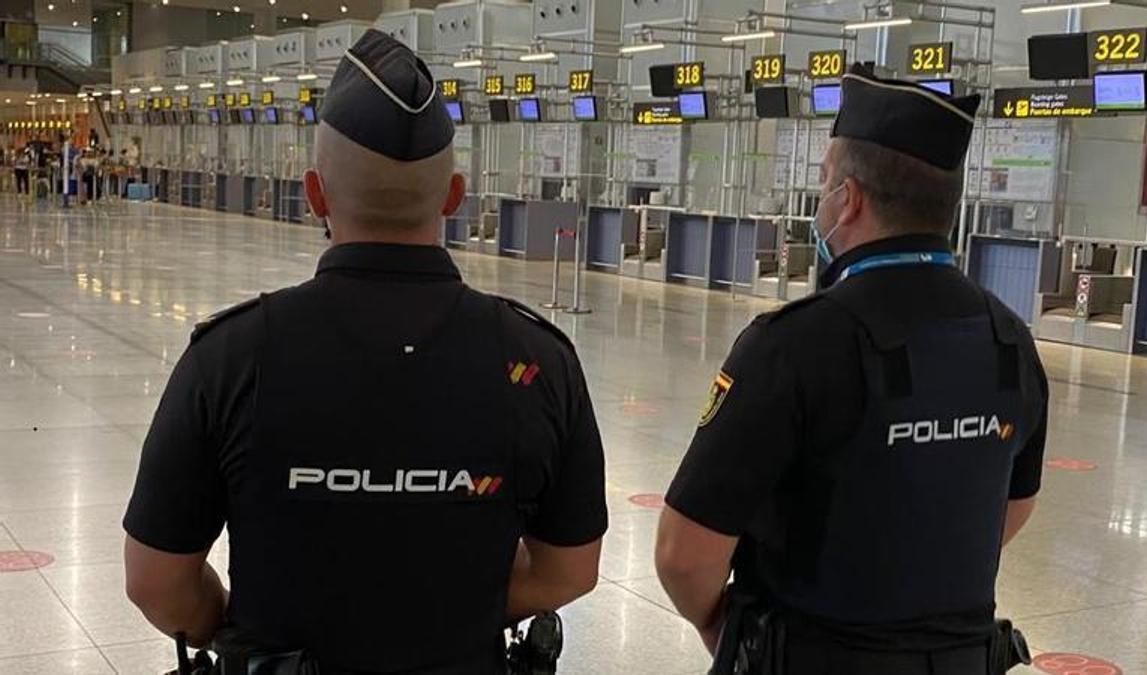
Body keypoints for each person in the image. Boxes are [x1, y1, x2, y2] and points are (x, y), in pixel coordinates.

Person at [122, 30, 607, 674]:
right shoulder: (537, 360)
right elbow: (571, 568)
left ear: (315, 194)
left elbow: (156, 581)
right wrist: (458, 615)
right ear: (454, 196)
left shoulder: (232, 357)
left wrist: (247, 631)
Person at [655, 64, 1048, 675]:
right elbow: (1013, 504)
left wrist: (730, 632)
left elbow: (684, 554)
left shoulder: (792, 346)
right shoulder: (1008, 342)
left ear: (850, 198)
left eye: (823, 183)